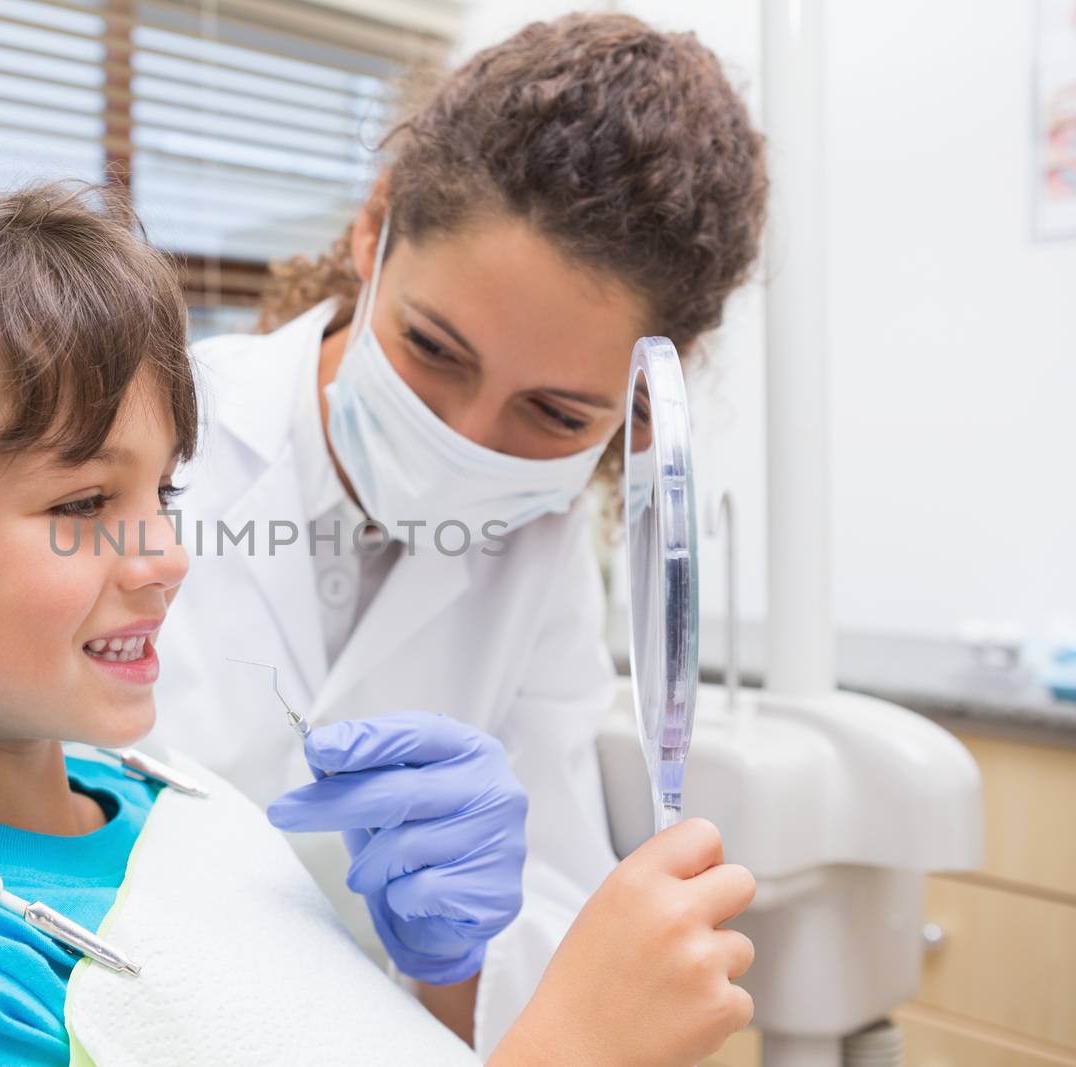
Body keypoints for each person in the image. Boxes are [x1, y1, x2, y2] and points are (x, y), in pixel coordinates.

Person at [0, 159, 753, 1065]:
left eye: (166, 490)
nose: (166, 553)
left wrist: (450, 971)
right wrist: (572, 1046)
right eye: (82, 501)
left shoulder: (174, 802)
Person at [149, 13, 768, 1048]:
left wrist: (459, 951)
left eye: (555, 414)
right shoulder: (162, 446)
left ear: (636, 402)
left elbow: (561, 953)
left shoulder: (545, 546)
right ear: (373, 228)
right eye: (433, 349)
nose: (463, 440)